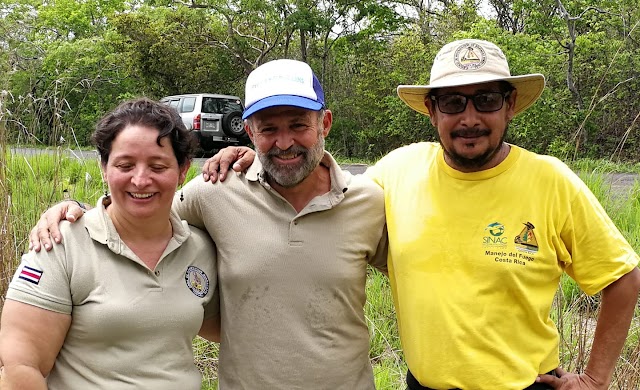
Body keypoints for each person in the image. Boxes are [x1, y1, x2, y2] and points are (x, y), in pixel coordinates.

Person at [201, 39, 640, 390]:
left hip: (525, 385)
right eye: (452, 103)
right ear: (431, 111)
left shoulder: (551, 181)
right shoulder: (398, 171)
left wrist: (596, 379)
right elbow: (320, 183)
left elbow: (622, 277)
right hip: (422, 386)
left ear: (510, 105)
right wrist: (254, 157)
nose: (469, 118)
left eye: (485, 100)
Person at [27, 59, 388, 389]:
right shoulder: (215, 191)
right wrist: (74, 210)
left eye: (298, 125)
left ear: (324, 122)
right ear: (248, 130)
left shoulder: (368, 201)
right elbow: (139, 214)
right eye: (268, 129)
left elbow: (421, 275)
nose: (284, 142)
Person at [0, 98, 220, 389]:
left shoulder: (200, 248)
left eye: (158, 166)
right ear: (104, 167)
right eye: (125, 165)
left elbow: (226, 328)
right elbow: (20, 368)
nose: (140, 180)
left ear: (182, 170)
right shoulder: (61, 245)